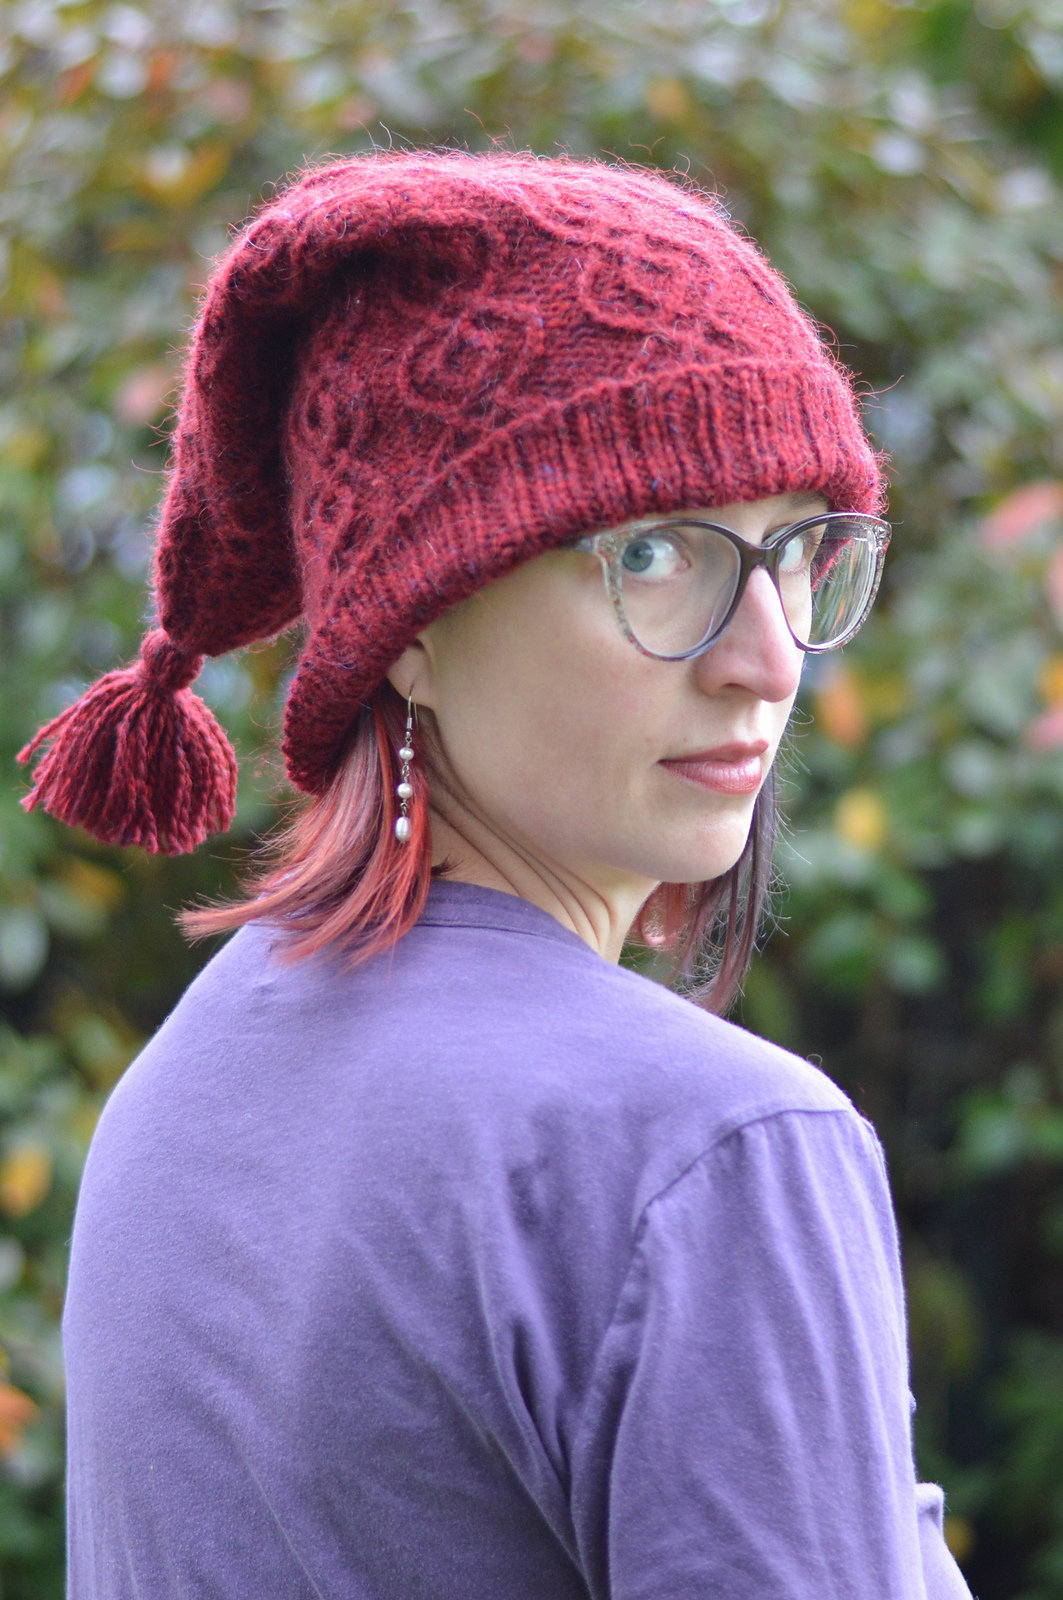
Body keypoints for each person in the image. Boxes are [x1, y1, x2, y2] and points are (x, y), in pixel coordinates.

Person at [21, 152, 971, 1599]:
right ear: (410, 620)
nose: (769, 656)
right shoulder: (707, 1149)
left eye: (796, 552)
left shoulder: (176, 1094)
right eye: (655, 551)